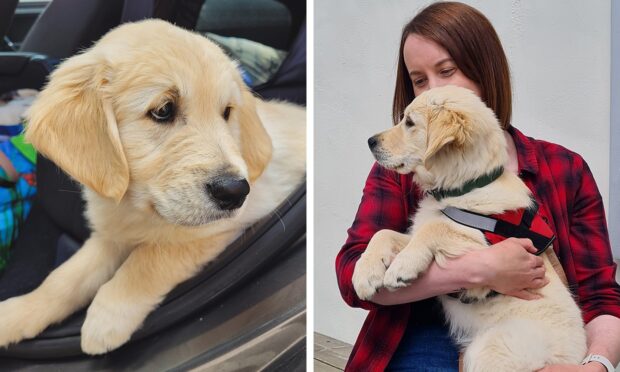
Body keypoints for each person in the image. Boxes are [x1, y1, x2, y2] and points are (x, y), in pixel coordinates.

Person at [335, 2, 620, 371]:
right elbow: (352, 277)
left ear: (485, 70)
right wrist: (478, 269)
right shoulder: (404, 168)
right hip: (423, 324)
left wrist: (593, 367)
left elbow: (601, 293)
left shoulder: (565, 168)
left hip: (527, 329)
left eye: (447, 70)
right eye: (419, 80)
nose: (429, 92)